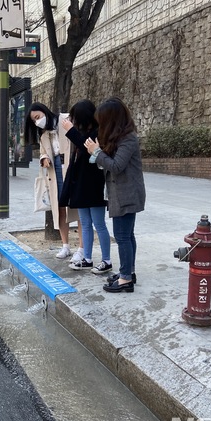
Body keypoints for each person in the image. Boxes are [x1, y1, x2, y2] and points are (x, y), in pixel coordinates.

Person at [85, 97, 146, 293]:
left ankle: (126, 278)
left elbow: (117, 166)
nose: (100, 125)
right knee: (127, 235)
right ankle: (128, 272)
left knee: (122, 237)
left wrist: (96, 152)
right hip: (123, 193)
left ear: (112, 120)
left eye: (102, 121)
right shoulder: (121, 138)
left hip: (127, 194)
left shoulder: (128, 139)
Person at [59, 100, 113, 274]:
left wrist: (71, 131)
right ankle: (87, 258)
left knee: (99, 224)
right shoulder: (83, 133)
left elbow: (87, 147)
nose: (73, 121)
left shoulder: (98, 133)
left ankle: (106, 260)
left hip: (94, 186)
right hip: (80, 186)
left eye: (75, 118)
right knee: (85, 223)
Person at [25, 102, 82, 261]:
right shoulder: (43, 134)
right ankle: (65, 246)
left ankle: (82, 248)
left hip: (72, 165)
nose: (37, 121)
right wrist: (43, 158)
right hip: (55, 168)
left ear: (44, 111)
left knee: (78, 207)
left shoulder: (66, 119)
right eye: (34, 121)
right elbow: (44, 152)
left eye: (38, 117)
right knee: (60, 207)